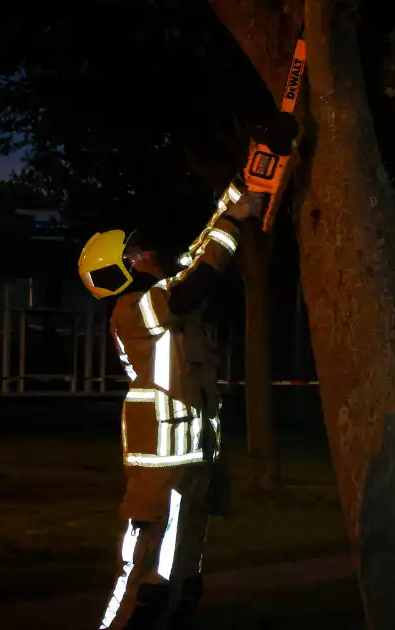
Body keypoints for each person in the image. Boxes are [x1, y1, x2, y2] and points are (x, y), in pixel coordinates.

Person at [78, 185, 259, 629]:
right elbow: (193, 285)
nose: (148, 255)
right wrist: (234, 223)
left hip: (192, 458)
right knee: (144, 580)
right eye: (137, 254)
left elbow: (197, 256)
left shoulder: (156, 296)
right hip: (161, 466)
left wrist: (236, 196)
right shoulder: (134, 308)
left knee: (182, 578)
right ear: (118, 272)